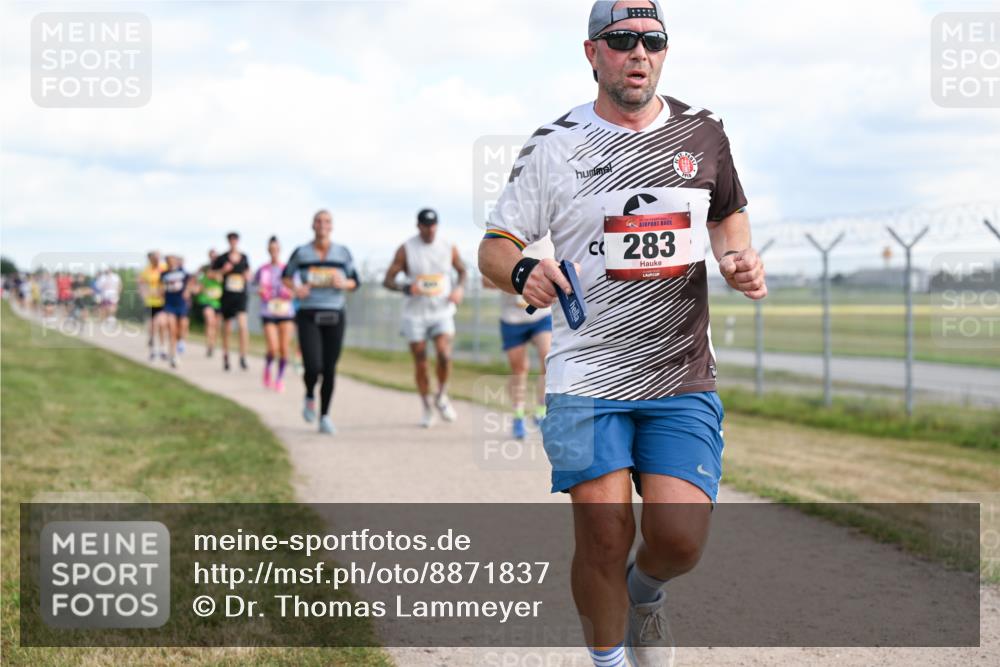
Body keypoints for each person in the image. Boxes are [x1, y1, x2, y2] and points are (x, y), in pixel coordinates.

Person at [477, 3, 768, 666]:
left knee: (680, 539)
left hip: (680, 371)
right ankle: (608, 660)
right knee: (605, 534)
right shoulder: (555, 144)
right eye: (622, 40)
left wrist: (736, 256)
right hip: (587, 374)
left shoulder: (703, 134)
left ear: (664, 51)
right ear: (592, 53)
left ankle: (647, 592)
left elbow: (730, 217)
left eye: (652, 40)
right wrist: (523, 267)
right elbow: (493, 247)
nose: (639, 52)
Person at [383, 208, 467, 428]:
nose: (430, 230)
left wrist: (459, 289)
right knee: (420, 363)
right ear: (418, 226)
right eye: (425, 226)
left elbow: (463, 271)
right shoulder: (406, 249)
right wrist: (406, 288)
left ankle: (441, 395)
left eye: (433, 226)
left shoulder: (448, 247)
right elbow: (388, 280)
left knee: (444, 355)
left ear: (437, 226)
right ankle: (427, 407)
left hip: (442, 311)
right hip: (415, 314)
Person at [283, 210, 360, 435]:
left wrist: (343, 283)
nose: (322, 225)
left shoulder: (342, 253)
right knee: (313, 365)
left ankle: (324, 416)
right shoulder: (301, 252)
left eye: (327, 221)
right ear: (312, 225)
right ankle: (309, 395)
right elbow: (286, 276)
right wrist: (297, 289)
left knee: (329, 368)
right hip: (309, 313)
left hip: (335, 313)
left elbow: (356, 281)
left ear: (332, 226)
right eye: (318, 221)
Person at [483, 235, 555, 439]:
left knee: (546, 358)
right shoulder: (505, 237)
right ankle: (518, 415)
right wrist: (517, 278)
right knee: (519, 369)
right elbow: (485, 279)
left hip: (541, 315)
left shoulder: (549, 240)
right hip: (512, 318)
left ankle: (540, 411)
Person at [256, 236, 296, 392]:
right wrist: (258, 290)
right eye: (271, 249)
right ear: (268, 250)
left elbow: (296, 286)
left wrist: (293, 292)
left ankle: (279, 378)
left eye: (276, 249)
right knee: (273, 348)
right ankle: (268, 366)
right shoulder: (262, 269)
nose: (274, 251)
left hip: (286, 312)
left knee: (284, 348)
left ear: (279, 250)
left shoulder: (288, 269)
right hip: (269, 312)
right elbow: (252, 285)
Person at [211, 232, 251, 371]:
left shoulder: (244, 257)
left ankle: (243, 356)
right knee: (227, 329)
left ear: (238, 241)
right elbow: (212, 274)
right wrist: (223, 271)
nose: (233, 241)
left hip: (241, 296)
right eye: (231, 239)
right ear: (228, 241)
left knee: (243, 326)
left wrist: (248, 276)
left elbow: (249, 273)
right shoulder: (222, 258)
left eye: (235, 239)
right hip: (228, 297)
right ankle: (226, 355)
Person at [160, 255, 191, 368]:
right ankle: (173, 355)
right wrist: (161, 293)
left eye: (173, 261)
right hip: (169, 304)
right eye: (168, 261)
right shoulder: (164, 274)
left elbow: (191, 281)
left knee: (182, 326)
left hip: (181, 303)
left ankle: (181, 341)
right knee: (172, 329)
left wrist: (187, 291)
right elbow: (161, 287)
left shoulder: (183, 273)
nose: (171, 263)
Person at [138, 251, 168, 361]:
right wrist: (144, 295)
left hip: (162, 302)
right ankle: (153, 350)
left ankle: (163, 349)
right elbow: (141, 284)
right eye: (154, 258)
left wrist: (163, 292)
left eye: (158, 257)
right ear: (150, 259)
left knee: (162, 325)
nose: (156, 259)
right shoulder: (146, 271)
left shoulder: (164, 268)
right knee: (152, 327)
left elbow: (169, 281)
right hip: (150, 302)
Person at [194, 249, 223, 357]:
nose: (213, 258)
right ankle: (209, 345)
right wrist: (197, 287)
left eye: (215, 256)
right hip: (206, 300)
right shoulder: (205, 268)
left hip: (218, 302)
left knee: (217, 325)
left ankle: (213, 344)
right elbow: (197, 279)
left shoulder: (222, 269)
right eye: (211, 256)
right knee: (210, 321)